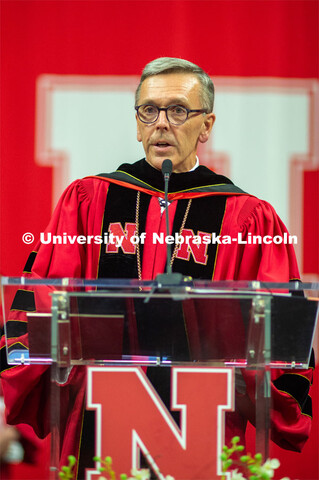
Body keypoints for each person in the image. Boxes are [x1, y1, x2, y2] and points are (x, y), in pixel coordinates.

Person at [0, 58, 314, 477]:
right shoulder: (88, 200)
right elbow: (39, 298)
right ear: (137, 123)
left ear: (206, 125)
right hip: (101, 413)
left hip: (204, 421)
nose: (161, 123)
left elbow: (278, 326)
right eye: (149, 110)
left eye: (179, 110)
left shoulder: (247, 218)